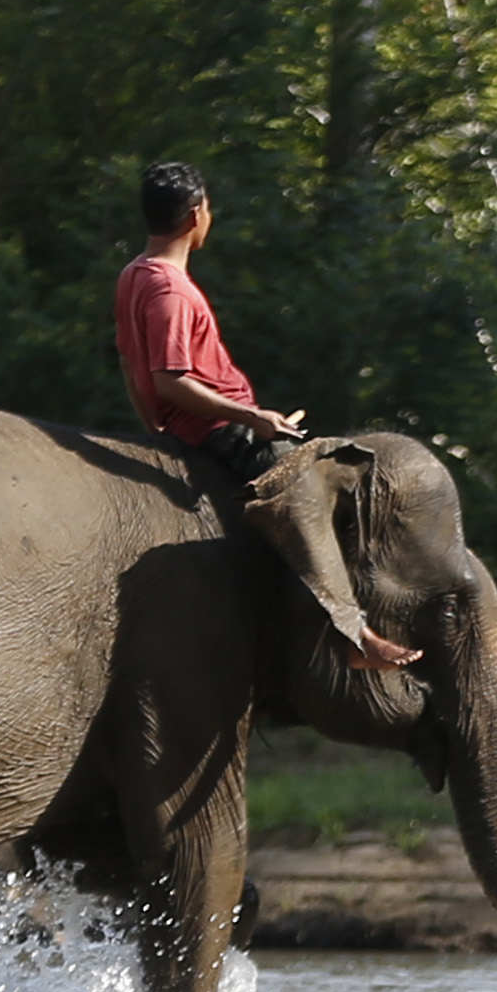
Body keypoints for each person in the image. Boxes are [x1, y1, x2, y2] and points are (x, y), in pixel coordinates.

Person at [115, 162, 416, 667]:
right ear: (195, 216)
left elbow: (131, 364)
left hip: (201, 424)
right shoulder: (171, 290)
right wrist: (254, 419)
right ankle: (351, 633)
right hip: (220, 430)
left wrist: (156, 427)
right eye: (208, 207)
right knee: (308, 496)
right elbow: (170, 378)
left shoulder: (133, 275)